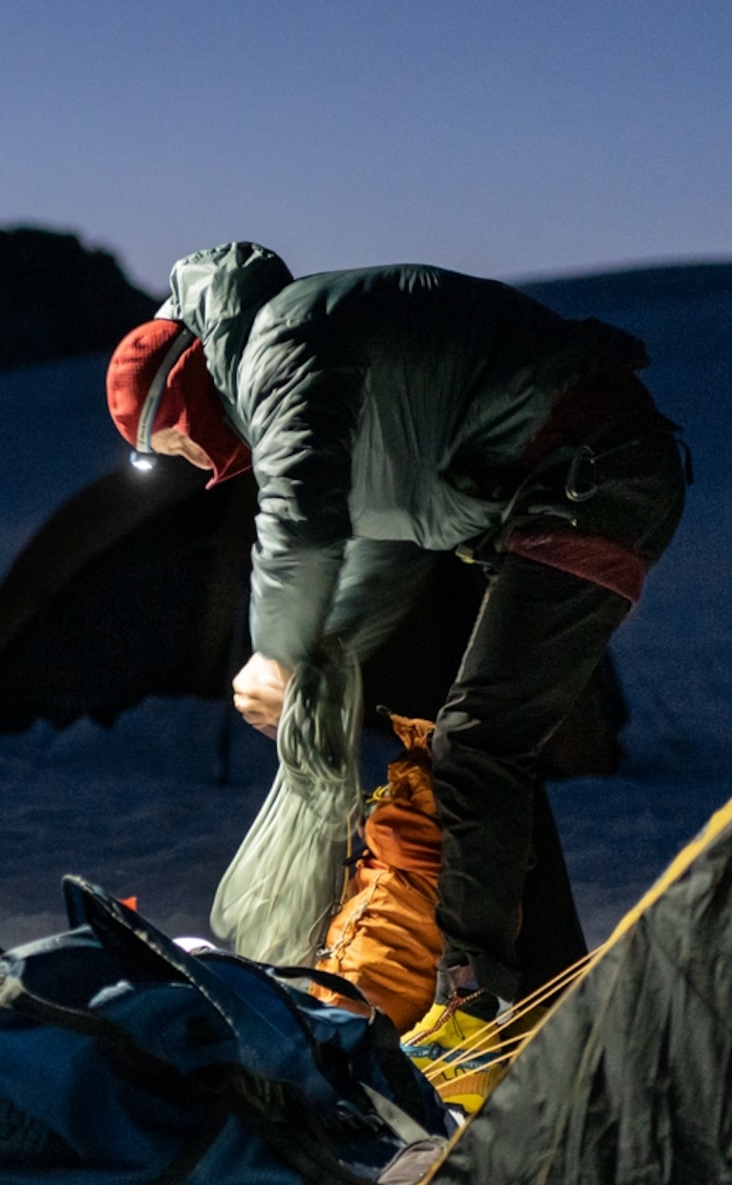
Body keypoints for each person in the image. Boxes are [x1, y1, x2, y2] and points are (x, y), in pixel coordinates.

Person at [107, 243, 687, 1016]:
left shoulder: (281, 342)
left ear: (178, 400)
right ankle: (548, 1008)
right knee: (489, 752)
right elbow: (390, 549)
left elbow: (299, 516)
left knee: (475, 745)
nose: (183, 460)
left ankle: (474, 1007)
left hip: (589, 473)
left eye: (168, 443)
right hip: (585, 479)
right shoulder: (317, 363)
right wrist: (326, 653)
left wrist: (277, 654)